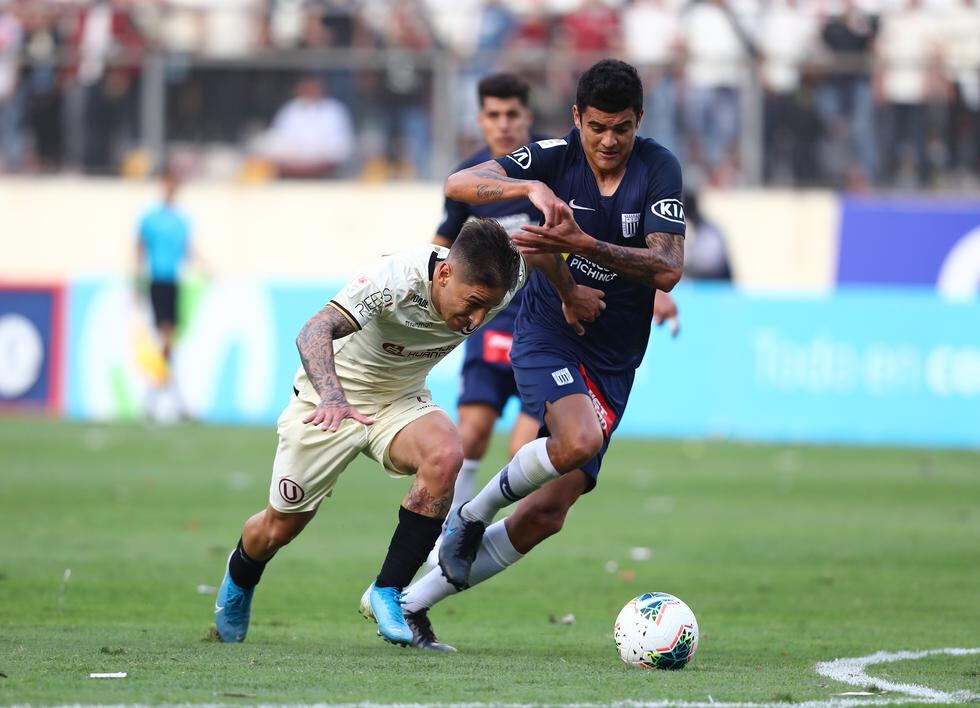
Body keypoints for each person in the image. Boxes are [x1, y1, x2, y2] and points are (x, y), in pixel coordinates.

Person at [395, 59, 685, 646]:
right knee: (576, 440)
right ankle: (470, 516)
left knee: (549, 512)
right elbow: (459, 184)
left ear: (639, 123)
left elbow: (669, 267)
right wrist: (527, 187)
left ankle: (410, 603)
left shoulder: (659, 168)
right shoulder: (554, 157)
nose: (608, 141)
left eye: (622, 128)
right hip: (548, 330)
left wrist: (585, 244)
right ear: (577, 117)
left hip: (615, 358)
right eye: (597, 126)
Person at [211, 219, 603, 648]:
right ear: (444, 274)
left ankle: (387, 590)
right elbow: (313, 330)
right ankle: (240, 578)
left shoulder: (502, 281)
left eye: (484, 309)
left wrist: (570, 293)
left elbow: (537, 248)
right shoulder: (394, 280)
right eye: (472, 304)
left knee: (446, 454)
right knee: (277, 530)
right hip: (329, 402)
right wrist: (332, 396)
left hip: (400, 401)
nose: (474, 321)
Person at [137, 171, 191, 383]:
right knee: (162, 330)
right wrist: (135, 277)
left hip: (172, 280)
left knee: (169, 331)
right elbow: (140, 247)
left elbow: (186, 249)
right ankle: (162, 371)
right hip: (157, 279)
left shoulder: (180, 220)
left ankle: (163, 370)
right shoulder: (151, 218)